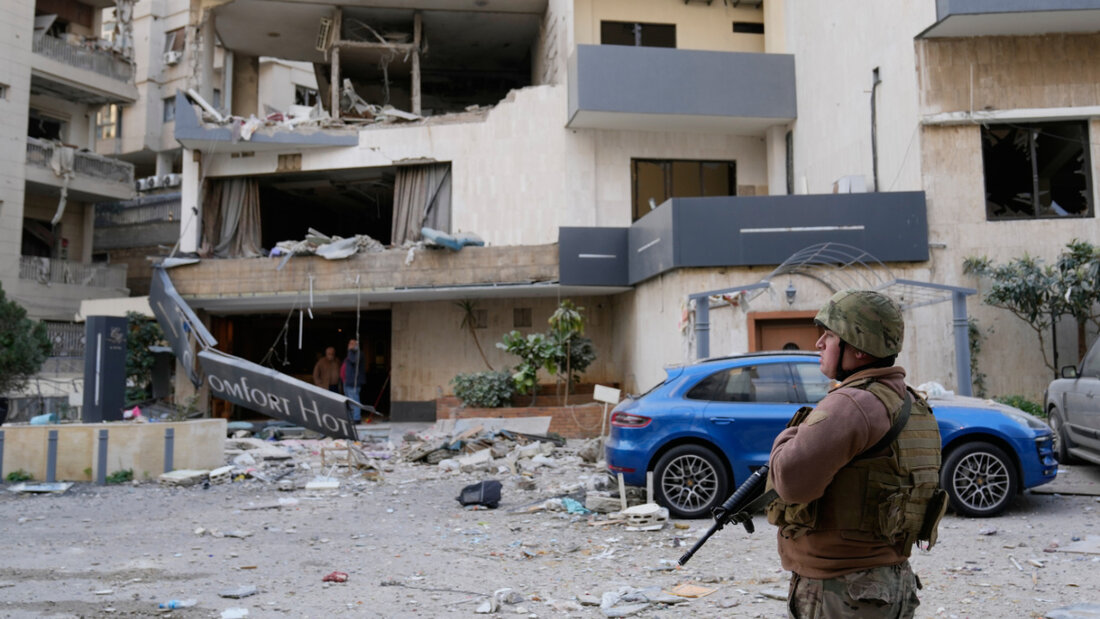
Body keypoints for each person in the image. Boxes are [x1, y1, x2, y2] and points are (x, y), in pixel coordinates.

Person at [764, 289, 946, 618]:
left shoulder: (853, 403)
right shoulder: (907, 399)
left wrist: (791, 434)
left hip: (842, 588)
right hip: (889, 582)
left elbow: (791, 481)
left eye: (830, 335)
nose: (819, 343)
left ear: (859, 349)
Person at [342, 338, 368, 424]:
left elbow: (354, 361)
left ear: (357, 345)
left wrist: (350, 350)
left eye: (352, 344)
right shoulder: (351, 354)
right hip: (347, 382)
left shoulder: (359, 354)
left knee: (354, 400)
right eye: (349, 343)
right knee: (349, 401)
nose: (350, 345)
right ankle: (351, 418)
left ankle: (356, 418)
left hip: (354, 383)